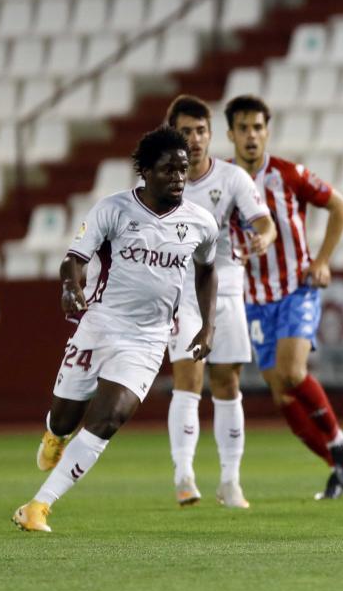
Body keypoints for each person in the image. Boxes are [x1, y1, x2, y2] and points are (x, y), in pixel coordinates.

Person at [13, 126, 219, 533]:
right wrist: (71, 287)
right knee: (65, 417)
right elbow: (74, 259)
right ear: (145, 171)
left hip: (147, 339)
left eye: (183, 169)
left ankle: (38, 506)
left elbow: (207, 270)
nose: (178, 178)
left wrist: (207, 327)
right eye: (168, 170)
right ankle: (54, 435)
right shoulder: (113, 210)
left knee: (110, 418)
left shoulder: (201, 223)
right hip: (99, 327)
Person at [224, 95, 343, 501]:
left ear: (267, 131)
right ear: (231, 134)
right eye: (244, 128)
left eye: (258, 127)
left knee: (293, 372)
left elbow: (339, 206)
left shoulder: (288, 174)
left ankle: (339, 443)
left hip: (297, 288)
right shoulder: (223, 182)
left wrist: (321, 260)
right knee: (282, 395)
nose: (252, 135)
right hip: (252, 299)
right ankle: (339, 467)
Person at [163, 95, 276, 509]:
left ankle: (230, 481)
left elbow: (265, 223)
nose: (193, 140)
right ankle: (184, 474)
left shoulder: (231, 179)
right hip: (179, 289)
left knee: (227, 381)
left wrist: (262, 238)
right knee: (187, 379)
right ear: (171, 134)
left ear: (211, 135)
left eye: (200, 131)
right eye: (185, 132)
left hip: (226, 285)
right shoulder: (159, 181)